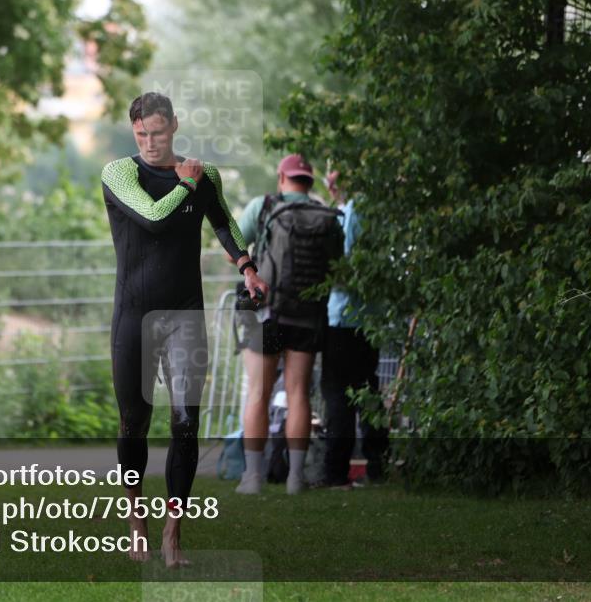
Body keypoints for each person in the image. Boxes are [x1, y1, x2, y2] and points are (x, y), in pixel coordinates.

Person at [101, 92, 268, 566]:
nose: (150, 143)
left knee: (185, 423)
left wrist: (247, 266)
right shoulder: (119, 173)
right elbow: (154, 219)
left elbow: (225, 223)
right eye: (141, 135)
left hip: (184, 315)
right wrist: (186, 185)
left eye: (157, 132)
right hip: (132, 316)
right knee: (134, 423)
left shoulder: (203, 175)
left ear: (174, 125)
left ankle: (173, 532)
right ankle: (136, 521)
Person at [234, 154, 341, 495]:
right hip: (309, 315)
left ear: (282, 177)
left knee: (258, 394)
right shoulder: (326, 216)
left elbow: (232, 250)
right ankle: (295, 478)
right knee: (298, 394)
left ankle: (252, 478)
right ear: (308, 182)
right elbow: (339, 265)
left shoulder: (263, 207)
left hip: (269, 313)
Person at [318, 170, 389, 489]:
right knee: (369, 389)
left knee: (337, 395)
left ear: (336, 186)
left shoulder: (345, 215)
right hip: (371, 318)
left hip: (341, 316)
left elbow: (339, 265)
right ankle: (378, 465)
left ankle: (336, 470)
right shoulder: (379, 216)